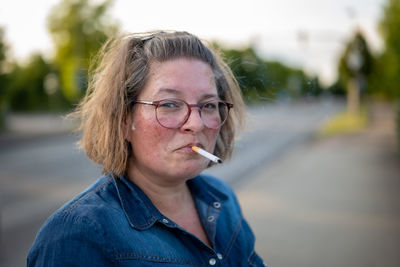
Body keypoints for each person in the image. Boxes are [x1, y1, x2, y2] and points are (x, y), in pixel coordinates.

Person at [27, 30, 265, 266]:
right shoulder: (79, 236)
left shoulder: (221, 198)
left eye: (209, 105)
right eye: (170, 104)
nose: (196, 123)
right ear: (123, 119)